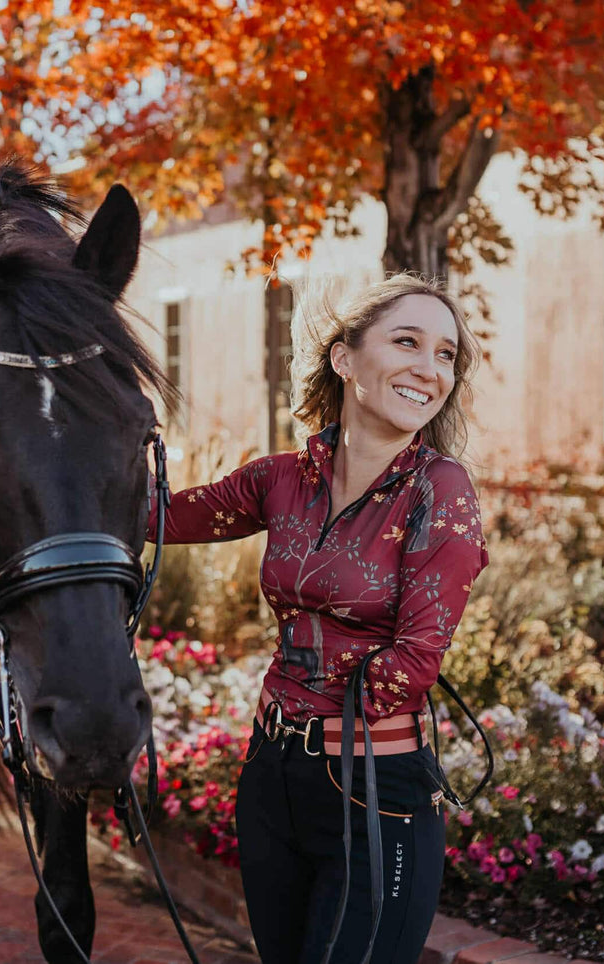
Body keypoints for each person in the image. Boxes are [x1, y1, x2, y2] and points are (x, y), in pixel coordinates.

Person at [148, 272, 491, 964]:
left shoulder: (439, 488)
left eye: (446, 354)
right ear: (343, 357)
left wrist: (317, 712)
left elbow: (416, 662)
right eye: (407, 342)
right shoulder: (281, 481)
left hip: (373, 792)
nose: (429, 369)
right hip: (271, 777)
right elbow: (155, 517)